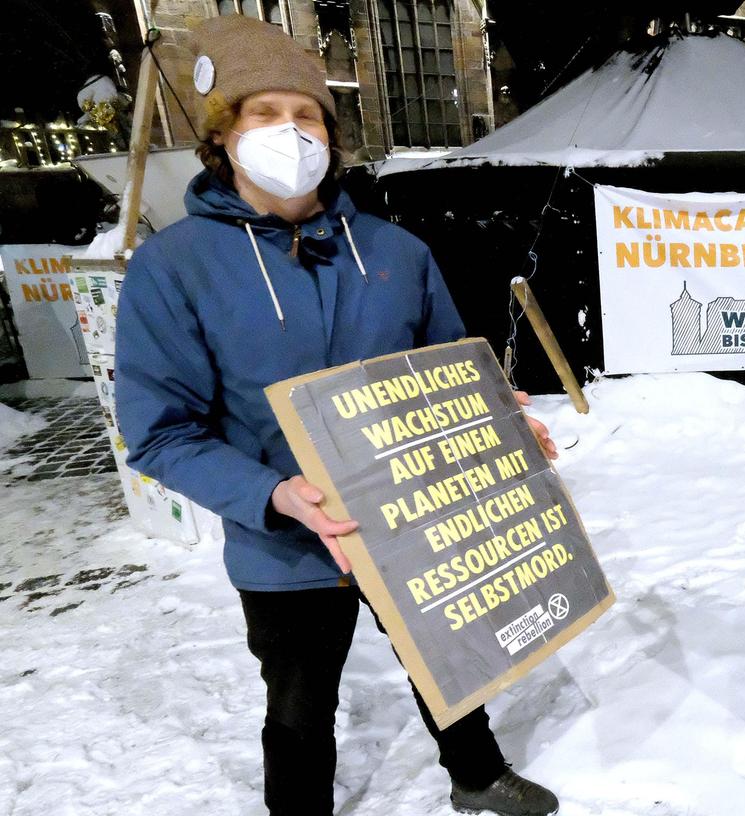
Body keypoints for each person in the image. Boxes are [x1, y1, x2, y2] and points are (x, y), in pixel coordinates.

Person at [115, 16, 559, 816]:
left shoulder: (395, 251)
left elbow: (452, 366)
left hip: (413, 518)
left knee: (444, 655)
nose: (290, 131)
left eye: (306, 114)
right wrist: (272, 496)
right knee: (298, 701)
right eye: (264, 113)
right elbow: (160, 430)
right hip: (285, 540)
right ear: (223, 136)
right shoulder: (171, 269)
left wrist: (502, 422)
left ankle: (476, 773)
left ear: (331, 132)